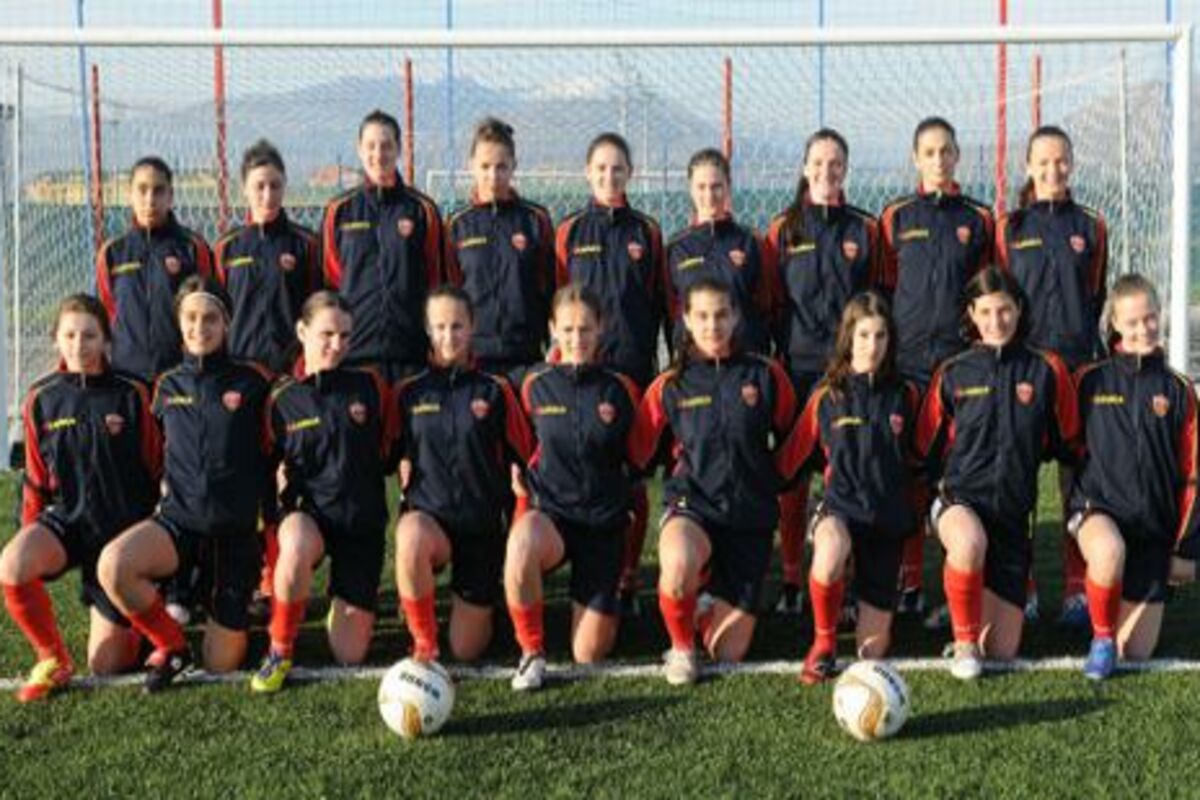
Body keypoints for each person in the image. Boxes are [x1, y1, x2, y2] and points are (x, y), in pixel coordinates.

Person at [97, 277, 273, 692]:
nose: (199, 327)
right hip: (178, 526)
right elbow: (152, 457)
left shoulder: (254, 381)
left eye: (210, 318)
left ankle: (229, 607)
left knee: (220, 663)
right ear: (178, 322)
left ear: (226, 322)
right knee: (114, 565)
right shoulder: (165, 386)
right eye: (190, 318)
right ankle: (171, 644)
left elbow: (273, 455)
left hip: (233, 536)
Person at [630, 277, 796, 685]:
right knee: (678, 561)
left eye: (721, 314)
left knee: (728, 651)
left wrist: (767, 483)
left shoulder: (766, 375)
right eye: (702, 316)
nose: (712, 325)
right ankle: (681, 649)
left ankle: (705, 597)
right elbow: (637, 455)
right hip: (694, 506)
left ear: (736, 317)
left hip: (749, 517)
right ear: (686, 319)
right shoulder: (670, 385)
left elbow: (793, 443)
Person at [916, 267, 1077, 680]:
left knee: (1002, 650)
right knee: (969, 542)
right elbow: (924, 449)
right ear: (971, 313)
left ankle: (964, 613)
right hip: (960, 504)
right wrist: (930, 508)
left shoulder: (1046, 370)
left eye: (1004, 310)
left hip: (1012, 519)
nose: (996, 321)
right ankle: (963, 643)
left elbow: (1069, 443)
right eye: (985, 311)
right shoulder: (953, 372)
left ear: (1019, 309)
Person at [0, 295, 161, 702]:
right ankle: (52, 658)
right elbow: (36, 479)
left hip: (120, 537)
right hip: (68, 524)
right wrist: (29, 533)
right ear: (56, 339)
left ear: (106, 339)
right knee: (12, 565)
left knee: (107, 664)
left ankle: (140, 608)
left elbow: (157, 467)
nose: (79, 345)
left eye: (89, 335)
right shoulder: (40, 398)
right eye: (69, 335)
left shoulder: (132, 393)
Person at [250, 291, 397, 693]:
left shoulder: (370, 385)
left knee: (349, 654)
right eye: (327, 334)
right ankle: (280, 649)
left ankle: (342, 604)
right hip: (310, 518)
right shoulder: (280, 398)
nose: (337, 345)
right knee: (296, 541)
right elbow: (264, 467)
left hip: (361, 525)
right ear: (302, 331)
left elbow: (391, 449)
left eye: (345, 336)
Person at [877, 118, 995, 618]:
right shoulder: (895, 217)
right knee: (907, 472)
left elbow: (987, 294)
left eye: (946, 150)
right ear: (916, 158)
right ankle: (908, 582)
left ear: (957, 155)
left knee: (957, 475)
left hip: (958, 369)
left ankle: (958, 587)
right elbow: (884, 289)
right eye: (929, 152)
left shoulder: (979, 218)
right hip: (907, 366)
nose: (939, 159)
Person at [997, 125, 1110, 627]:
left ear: (1072, 163)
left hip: (1078, 370)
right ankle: (1018, 590)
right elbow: (998, 297)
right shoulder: (1008, 227)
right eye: (1043, 161)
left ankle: (1074, 590)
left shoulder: (1092, 226)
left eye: (1061, 160)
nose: (1053, 169)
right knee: (1017, 483)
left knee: (1075, 484)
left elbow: (1095, 294)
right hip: (1025, 369)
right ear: (1028, 166)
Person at [776, 292, 920, 684]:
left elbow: (923, 456)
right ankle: (823, 644)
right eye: (863, 336)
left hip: (886, 523)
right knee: (830, 551)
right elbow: (789, 462)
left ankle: (862, 605)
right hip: (839, 510)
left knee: (871, 654)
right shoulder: (827, 395)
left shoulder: (905, 395)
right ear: (848, 338)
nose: (872, 346)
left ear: (890, 340)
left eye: (880, 336)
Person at [763, 128, 879, 615]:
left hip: (849, 375)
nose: (826, 171)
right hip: (797, 370)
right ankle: (792, 577)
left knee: (847, 474)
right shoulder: (782, 230)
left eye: (835, 163)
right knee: (793, 477)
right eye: (818, 163)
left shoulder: (864, 229)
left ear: (845, 169)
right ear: (804, 167)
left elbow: (875, 302)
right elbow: (770, 301)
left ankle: (848, 582)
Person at [504, 285, 642, 691]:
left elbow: (639, 464)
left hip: (603, 527)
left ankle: (608, 592)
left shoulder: (622, 389)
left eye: (585, 329)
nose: (576, 338)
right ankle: (531, 651)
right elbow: (512, 440)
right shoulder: (531, 384)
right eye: (567, 329)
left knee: (589, 653)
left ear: (601, 328)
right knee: (521, 543)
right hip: (554, 518)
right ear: (552, 329)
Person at [554, 131, 664, 616]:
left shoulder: (647, 232)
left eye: (618, 168)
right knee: (579, 468)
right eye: (601, 168)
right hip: (580, 374)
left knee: (632, 478)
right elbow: (555, 303)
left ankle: (627, 577)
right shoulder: (569, 232)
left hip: (632, 374)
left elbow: (662, 302)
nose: (609, 176)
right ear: (587, 172)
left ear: (630, 174)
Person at [393, 286, 534, 663]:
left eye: (457, 326)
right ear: (427, 329)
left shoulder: (496, 389)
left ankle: (488, 600)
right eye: (439, 327)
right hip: (431, 523)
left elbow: (526, 459)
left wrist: (518, 517)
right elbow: (382, 454)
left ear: (472, 326)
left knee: (466, 649)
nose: (448, 336)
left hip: (481, 529)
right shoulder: (409, 392)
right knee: (409, 535)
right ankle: (424, 641)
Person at [1068, 274, 1196, 680]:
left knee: (1136, 651)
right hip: (1099, 511)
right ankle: (1101, 637)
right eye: (1133, 321)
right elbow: (1065, 445)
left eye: (1150, 317)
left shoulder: (1179, 389)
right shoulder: (1090, 380)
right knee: (1108, 551)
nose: (1144, 328)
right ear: (1115, 324)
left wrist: (1187, 549)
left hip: (1152, 530)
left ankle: (1106, 601)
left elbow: (1194, 473)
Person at [214, 139, 320, 613]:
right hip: (240, 384)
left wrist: (299, 370)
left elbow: (315, 314)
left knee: (287, 475)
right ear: (245, 189)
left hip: (288, 381)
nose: (268, 194)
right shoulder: (226, 248)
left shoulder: (304, 244)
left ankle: (284, 574)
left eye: (275, 185)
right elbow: (216, 318)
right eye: (259, 186)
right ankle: (250, 575)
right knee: (247, 476)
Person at [321, 109, 443, 383]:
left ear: (399, 149)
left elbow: (436, 281)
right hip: (354, 354)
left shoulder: (422, 210)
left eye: (387, 145)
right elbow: (331, 283)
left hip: (410, 354)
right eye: (371, 146)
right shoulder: (339, 211)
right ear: (359, 149)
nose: (379, 154)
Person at [444, 117, 555, 390]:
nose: (493, 176)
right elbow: (449, 293)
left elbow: (550, 286)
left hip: (525, 356)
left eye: (501, 166)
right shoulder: (458, 224)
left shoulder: (535, 220)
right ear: (471, 165)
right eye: (485, 166)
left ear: (514, 166)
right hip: (474, 358)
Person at [96, 155, 213, 382]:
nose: (150, 199)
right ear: (130, 194)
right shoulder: (112, 253)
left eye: (158, 190)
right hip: (126, 375)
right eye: (142, 190)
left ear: (170, 196)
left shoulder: (192, 248)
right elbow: (108, 311)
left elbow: (208, 309)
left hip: (180, 376)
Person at [663, 148, 772, 357]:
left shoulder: (751, 241)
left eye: (716, 186)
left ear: (728, 187)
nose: (709, 195)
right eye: (701, 187)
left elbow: (767, 304)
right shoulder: (676, 248)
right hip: (693, 364)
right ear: (690, 189)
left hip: (744, 361)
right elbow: (670, 311)